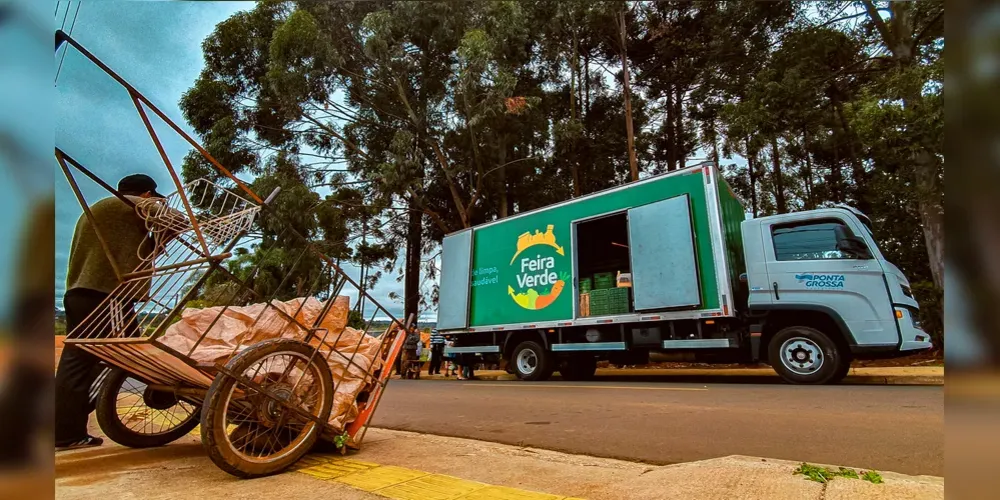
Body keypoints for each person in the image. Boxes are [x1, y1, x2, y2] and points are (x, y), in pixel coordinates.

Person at [55, 174, 166, 451]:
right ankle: (69, 426)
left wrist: (156, 239)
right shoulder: (134, 205)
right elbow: (176, 218)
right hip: (108, 295)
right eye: (152, 198)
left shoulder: (99, 209)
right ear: (146, 194)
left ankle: (64, 432)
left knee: (77, 361)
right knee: (122, 356)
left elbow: (139, 251)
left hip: (79, 293)